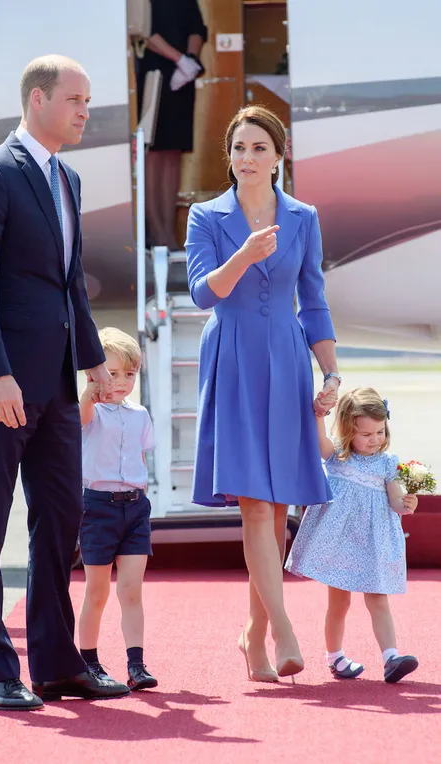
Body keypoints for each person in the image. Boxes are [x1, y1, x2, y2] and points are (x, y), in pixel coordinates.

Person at [0, 54, 129, 711]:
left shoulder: (68, 178)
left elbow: (69, 281)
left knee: (60, 521)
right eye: (76, 99)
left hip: (56, 386)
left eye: (88, 100)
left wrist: (93, 360)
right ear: (38, 100)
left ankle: (56, 666)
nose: (86, 111)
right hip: (1, 386)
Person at [185, 105, 341, 681]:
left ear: (279, 156)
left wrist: (330, 374)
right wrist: (244, 255)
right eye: (238, 148)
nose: (246, 158)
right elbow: (203, 293)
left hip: (287, 359)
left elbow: (314, 301)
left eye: (258, 148)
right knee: (254, 502)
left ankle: (252, 636)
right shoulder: (206, 215)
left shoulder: (304, 216)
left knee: (276, 511)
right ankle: (283, 630)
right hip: (232, 359)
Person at [285, 388, 420, 683]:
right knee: (339, 603)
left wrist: (406, 504)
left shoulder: (388, 463)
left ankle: (391, 658)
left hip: (373, 543)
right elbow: (319, 442)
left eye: (380, 432)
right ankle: (335, 657)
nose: (375, 440)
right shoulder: (337, 455)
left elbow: (395, 501)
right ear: (348, 430)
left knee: (378, 598)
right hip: (341, 543)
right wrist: (319, 415)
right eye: (366, 434)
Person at [79, 327, 158, 691]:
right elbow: (80, 418)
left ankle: (136, 664)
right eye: (112, 373)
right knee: (96, 592)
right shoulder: (90, 412)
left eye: (130, 373)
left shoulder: (139, 414)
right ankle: (89, 662)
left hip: (135, 508)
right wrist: (90, 392)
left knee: (131, 590)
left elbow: (139, 456)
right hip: (97, 508)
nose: (122, 382)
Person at [137, 0, 207, 250]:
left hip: (182, 78)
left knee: (172, 152)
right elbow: (143, 31)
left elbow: (198, 28)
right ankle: (156, 231)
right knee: (152, 152)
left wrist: (190, 61)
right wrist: (179, 59)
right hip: (152, 73)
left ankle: (169, 229)